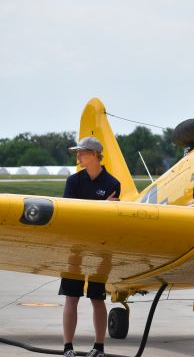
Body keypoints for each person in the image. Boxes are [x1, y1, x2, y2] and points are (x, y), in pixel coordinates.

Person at [60, 137, 121, 357]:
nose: (78, 157)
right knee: (72, 297)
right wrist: (101, 206)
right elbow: (69, 211)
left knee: (97, 298)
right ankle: (68, 347)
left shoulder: (113, 183)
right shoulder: (73, 181)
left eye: (82, 153)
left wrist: (96, 210)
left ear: (94, 155)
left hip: (101, 247)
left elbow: (109, 218)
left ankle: (99, 347)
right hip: (76, 246)